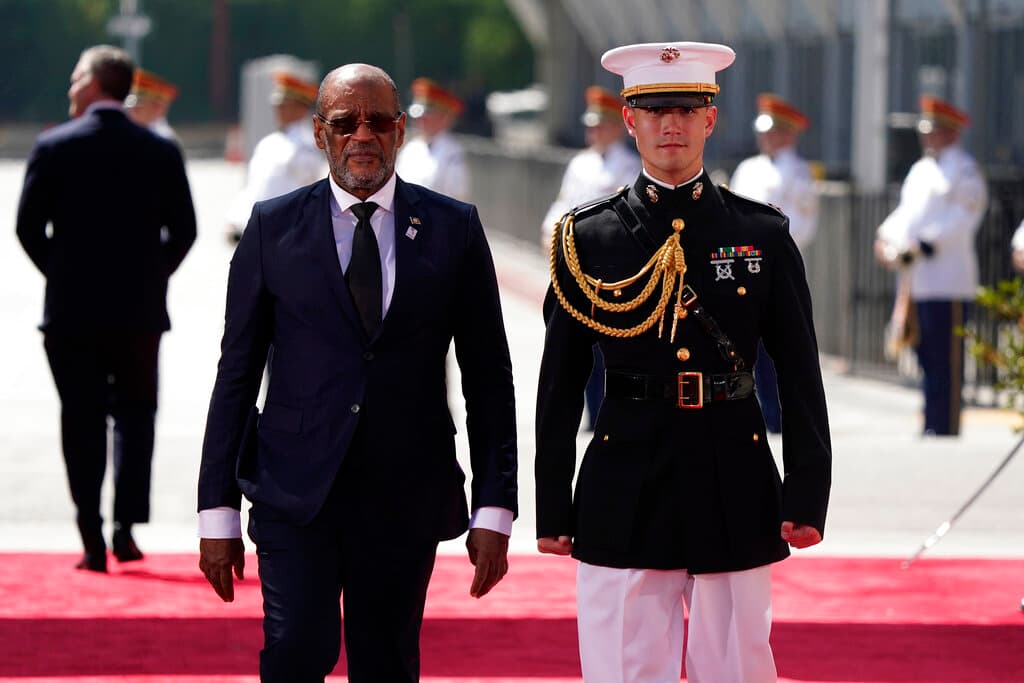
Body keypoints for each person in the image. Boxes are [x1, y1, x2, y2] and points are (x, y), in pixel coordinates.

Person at [197, 63, 517, 683]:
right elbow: (235, 373)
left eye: (377, 122)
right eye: (345, 123)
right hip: (293, 492)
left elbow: (489, 377)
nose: (361, 136)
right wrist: (217, 510)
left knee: (387, 665)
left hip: (404, 495)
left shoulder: (453, 229)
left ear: (400, 131)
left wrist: (494, 506)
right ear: (321, 134)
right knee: (295, 653)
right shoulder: (271, 227)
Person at [535, 41, 832, 683]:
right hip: (626, 467)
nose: (671, 124)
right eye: (654, 108)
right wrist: (553, 507)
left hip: (732, 461)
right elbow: (558, 384)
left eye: (687, 109)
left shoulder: (761, 234)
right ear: (630, 118)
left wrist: (808, 491)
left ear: (710, 119)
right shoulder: (588, 237)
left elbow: (801, 372)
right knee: (623, 666)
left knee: (738, 665)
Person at [15, 45, 196, 573]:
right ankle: (125, 529)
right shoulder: (159, 151)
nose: (70, 89)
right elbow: (184, 231)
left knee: (82, 418)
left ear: (95, 85)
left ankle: (90, 534)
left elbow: (28, 228)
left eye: (76, 79)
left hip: (71, 312)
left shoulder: (53, 146)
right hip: (138, 313)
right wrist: (148, 278)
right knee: (137, 416)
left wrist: (64, 276)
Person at [875, 95, 987, 437]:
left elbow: (964, 217)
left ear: (951, 132)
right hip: (919, 279)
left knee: (946, 358)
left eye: (935, 130)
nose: (928, 137)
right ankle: (932, 419)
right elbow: (907, 215)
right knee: (924, 353)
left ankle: (946, 423)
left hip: (948, 280)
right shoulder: (922, 169)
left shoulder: (964, 169)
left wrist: (926, 244)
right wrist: (885, 238)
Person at [541, 85, 641, 430]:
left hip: (608, 266)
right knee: (575, 340)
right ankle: (587, 410)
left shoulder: (629, 165)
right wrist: (549, 231)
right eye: (591, 125)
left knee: (606, 344)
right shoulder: (579, 163)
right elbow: (563, 203)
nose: (593, 131)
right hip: (574, 262)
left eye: (600, 125)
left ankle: (604, 411)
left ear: (616, 126)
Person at [730, 93, 819, 434]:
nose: (765, 138)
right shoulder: (749, 168)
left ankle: (780, 414)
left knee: (780, 346)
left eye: (774, 132)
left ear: (788, 133)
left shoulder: (797, 172)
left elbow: (804, 222)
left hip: (778, 269)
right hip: (744, 269)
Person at [225, 71, 327, 241]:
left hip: (289, 233)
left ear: (300, 108)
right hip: (260, 232)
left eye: (284, 105)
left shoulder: (307, 145)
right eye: (277, 105)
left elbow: (306, 194)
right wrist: (236, 219)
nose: (278, 110)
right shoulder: (268, 143)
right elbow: (256, 189)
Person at [395, 77, 469, 200]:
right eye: (419, 116)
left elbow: (456, 197)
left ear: (444, 117)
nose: (420, 120)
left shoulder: (452, 153)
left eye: (427, 116)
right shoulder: (411, 148)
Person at [125, 67, 180, 144]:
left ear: (157, 108)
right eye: (132, 109)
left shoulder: (164, 138)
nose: (131, 112)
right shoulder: (124, 130)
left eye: (138, 109)